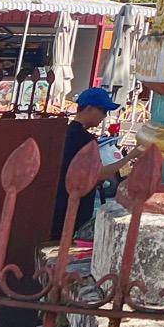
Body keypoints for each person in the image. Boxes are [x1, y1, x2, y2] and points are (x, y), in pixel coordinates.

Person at [51, 87, 119, 240]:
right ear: (89, 109)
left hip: (58, 201)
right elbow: (98, 174)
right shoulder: (84, 140)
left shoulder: (65, 133)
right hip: (74, 205)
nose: (104, 116)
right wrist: (130, 158)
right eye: (103, 111)